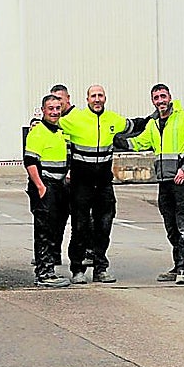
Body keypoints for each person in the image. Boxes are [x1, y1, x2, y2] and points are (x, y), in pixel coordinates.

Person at [126, 84, 184, 284]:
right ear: (152, 101)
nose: (160, 101)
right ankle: (177, 264)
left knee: (183, 224)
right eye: (156, 98)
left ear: (170, 97)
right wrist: (111, 138)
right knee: (170, 225)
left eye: (163, 96)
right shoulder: (153, 125)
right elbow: (137, 143)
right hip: (164, 181)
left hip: (182, 180)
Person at [59, 84, 135, 284]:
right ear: (87, 99)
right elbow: (51, 123)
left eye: (100, 95)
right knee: (80, 227)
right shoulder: (75, 119)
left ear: (105, 98)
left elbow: (134, 126)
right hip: (81, 184)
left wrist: (155, 117)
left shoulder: (113, 119)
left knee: (104, 226)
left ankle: (101, 268)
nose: (97, 99)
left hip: (103, 184)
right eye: (93, 96)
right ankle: (77, 269)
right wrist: (35, 122)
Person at [23, 94, 72, 287]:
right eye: (50, 108)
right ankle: (43, 274)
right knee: (44, 231)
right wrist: (41, 187)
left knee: (55, 231)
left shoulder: (60, 132)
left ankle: (50, 270)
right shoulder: (37, 132)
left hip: (60, 187)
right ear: (43, 110)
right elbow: (30, 161)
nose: (54, 112)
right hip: (45, 186)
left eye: (57, 108)